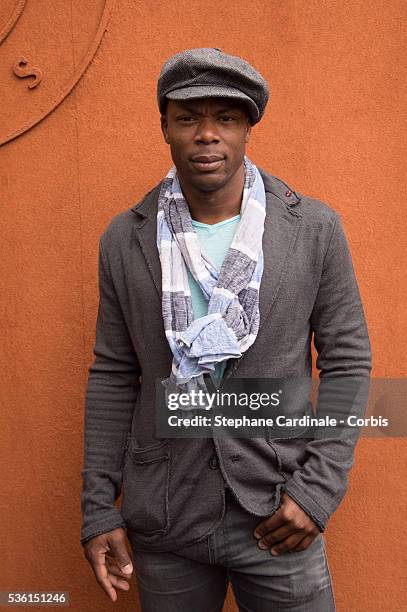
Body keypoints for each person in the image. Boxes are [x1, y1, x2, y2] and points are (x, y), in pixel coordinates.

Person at [80, 48, 371, 611]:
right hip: (166, 516)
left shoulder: (312, 229)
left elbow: (348, 361)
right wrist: (98, 505)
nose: (207, 135)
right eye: (188, 117)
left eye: (227, 118)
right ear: (164, 125)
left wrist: (317, 492)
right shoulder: (125, 238)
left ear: (248, 128)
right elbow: (114, 375)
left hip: (278, 508)